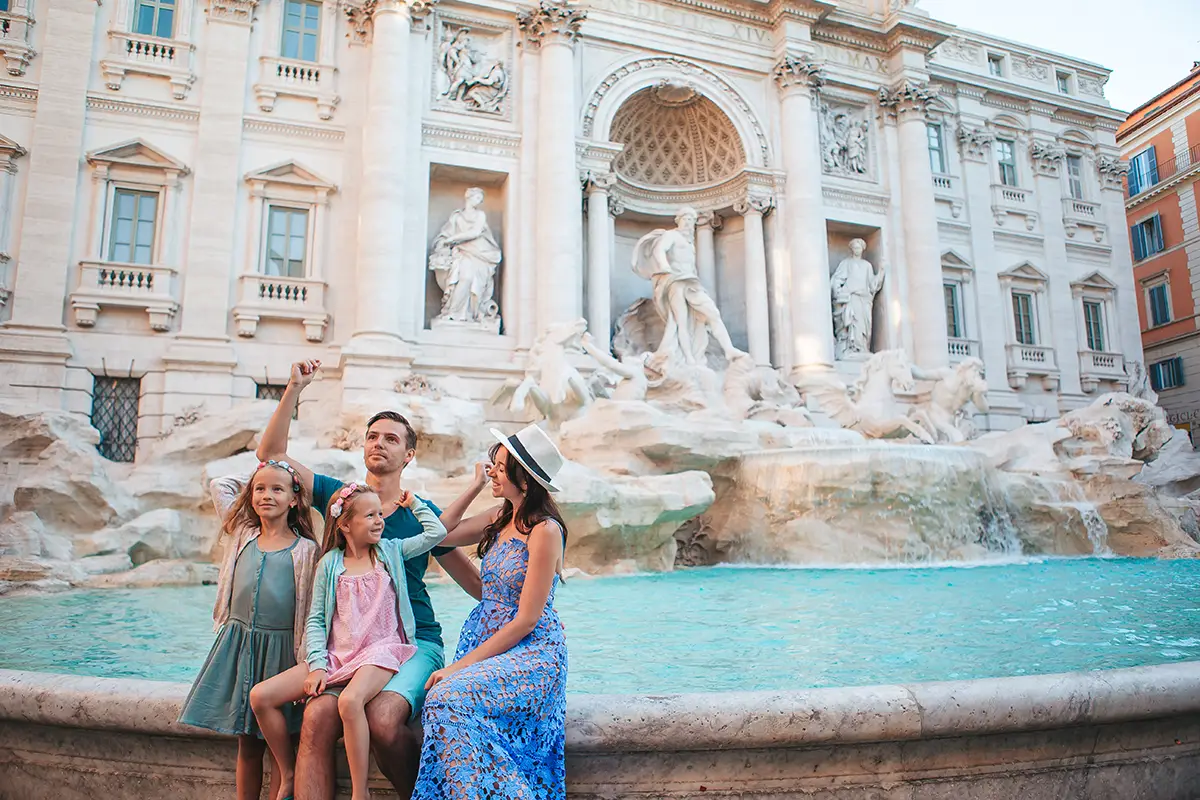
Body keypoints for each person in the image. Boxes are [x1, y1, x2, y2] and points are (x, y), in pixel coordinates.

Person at [256, 360, 489, 800]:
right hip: (351, 645)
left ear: (409, 454)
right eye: (372, 436)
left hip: (416, 641)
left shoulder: (421, 515)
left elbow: (474, 585)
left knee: (383, 720)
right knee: (315, 718)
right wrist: (293, 388)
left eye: (391, 439)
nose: (379, 444)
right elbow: (271, 454)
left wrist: (531, 615)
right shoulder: (340, 498)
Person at [250, 484, 447, 800]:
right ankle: (287, 772)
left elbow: (436, 534)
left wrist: (416, 504)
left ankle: (360, 792)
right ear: (344, 525)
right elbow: (315, 620)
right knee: (261, 696)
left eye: (380, 514)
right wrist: (316, 666)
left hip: (382, 651)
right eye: (370, 515)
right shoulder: (329, 563)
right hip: (337, 655)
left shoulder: (390, 551)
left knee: (349, 701)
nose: (379, 521)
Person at [412, 423, 570, 799]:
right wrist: (473, 487)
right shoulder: (499, 518)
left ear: (525, 480)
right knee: (441, 701)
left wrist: (454, 668)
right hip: (489, 640)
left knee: (446, 697)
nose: (492, 471)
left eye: (499, 467)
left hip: (532, 650)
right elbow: (439, 535)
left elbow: (527, 619)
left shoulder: (545, 530)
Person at [178, 460, 320, 800]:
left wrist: (308, 659)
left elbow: (313, 608)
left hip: (283, 650)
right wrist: (269, 469)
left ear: (294, 499)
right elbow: (220, 485)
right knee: (247, 741)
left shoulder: (306, 550)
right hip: (240, 644)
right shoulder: (242, 532)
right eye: (259, 488)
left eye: (277, 489)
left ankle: (283, 787)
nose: (266, 495)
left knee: (279, 740)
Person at [631, 206, 743, 366]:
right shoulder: (672, 235)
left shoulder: (690, 242)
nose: (688, 223)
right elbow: (659, 250)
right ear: (678, 220)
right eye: (685, 219)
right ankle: (689, 358)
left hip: (691, 282)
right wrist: (665, 267)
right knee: (680, 322)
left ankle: (729, 349)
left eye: (691, 220)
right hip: (675, 281)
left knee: (712, 313)